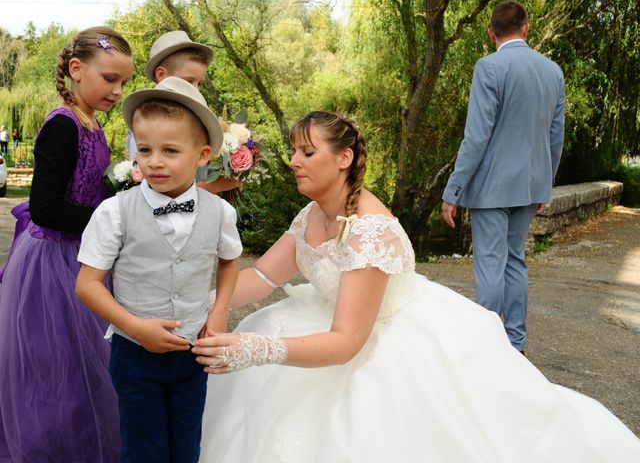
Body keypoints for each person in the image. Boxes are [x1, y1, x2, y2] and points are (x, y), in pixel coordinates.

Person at [191, 111, 640, 462]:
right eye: (293, 151)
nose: (294, 161)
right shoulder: (311, 217)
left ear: (343, 158)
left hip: (380, 339)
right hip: (331, 322)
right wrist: (201, 302)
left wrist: (254, 349)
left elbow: (347, 342)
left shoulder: (369, 230)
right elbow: (261, 277)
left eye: (307, 152)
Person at [76, 76, 242, 462]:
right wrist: (134, 328)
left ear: (202, 156)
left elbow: (231, 259)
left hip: (192, 352)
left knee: (187, 447)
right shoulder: (115, 212)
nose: (154, 161)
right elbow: (87, 285)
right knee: (143, 449)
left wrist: (218, 312)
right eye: (145, 149)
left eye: (170, 150)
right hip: (135, 355)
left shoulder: (220, 212)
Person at [0, 26, 133, 462]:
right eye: (109, 78)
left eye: (124, 82)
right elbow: (46, 208)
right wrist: (111, 217)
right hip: (51, 264)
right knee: (54, 368)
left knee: (86, 369)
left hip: (81, 256)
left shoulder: (92, 123)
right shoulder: (63, 126)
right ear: (77, 70)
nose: (117, 90)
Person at [441, 0, 565, 354]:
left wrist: (453, 190)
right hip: (528, 187)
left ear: (490, 32)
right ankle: (515, 345)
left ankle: (487, 349)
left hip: (491, 189)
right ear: (526, 29)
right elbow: (555, 136)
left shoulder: (489, 68)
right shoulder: (553, 71)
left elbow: (477, 136)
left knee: (491, 266)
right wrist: (544, 184)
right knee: (514, 262)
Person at [127, 30, 239, 195]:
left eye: (199, 83)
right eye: (188, 81)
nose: (195, 89)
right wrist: (214, 186)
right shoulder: (144, 120)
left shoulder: (198, 117)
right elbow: (148, 182)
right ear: (161, 74)